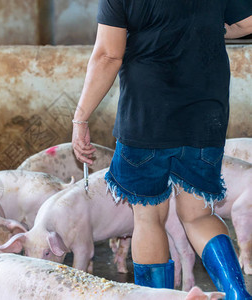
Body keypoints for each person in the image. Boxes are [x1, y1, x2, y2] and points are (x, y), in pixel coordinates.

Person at [71, 0, 252, 299]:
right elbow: (247, 23)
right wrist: (204, 30)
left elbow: (107, 55)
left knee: (148, 218)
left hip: (146, 118)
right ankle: (237, 294)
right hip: (206, 117)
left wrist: (81, 118)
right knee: (198, 216)